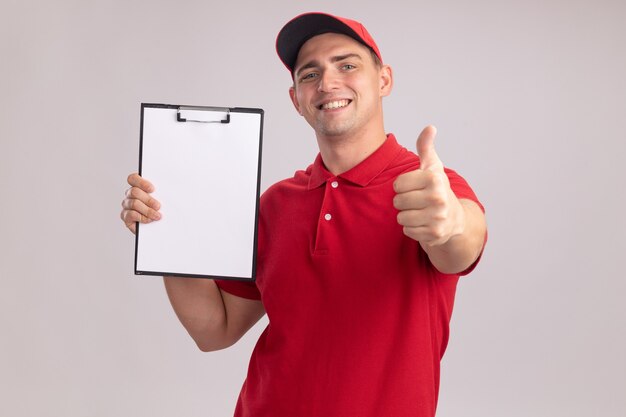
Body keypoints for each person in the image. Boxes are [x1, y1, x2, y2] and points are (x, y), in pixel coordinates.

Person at [121, 12, 487, 417]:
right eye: (310, 74)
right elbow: (214, 330)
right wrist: (169, 234)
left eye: (347, 65)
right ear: (296, 99)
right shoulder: (276, 204)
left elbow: (461, 244)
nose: (328, 83)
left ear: (383, 80)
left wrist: (449, 223)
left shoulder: (430, 189)